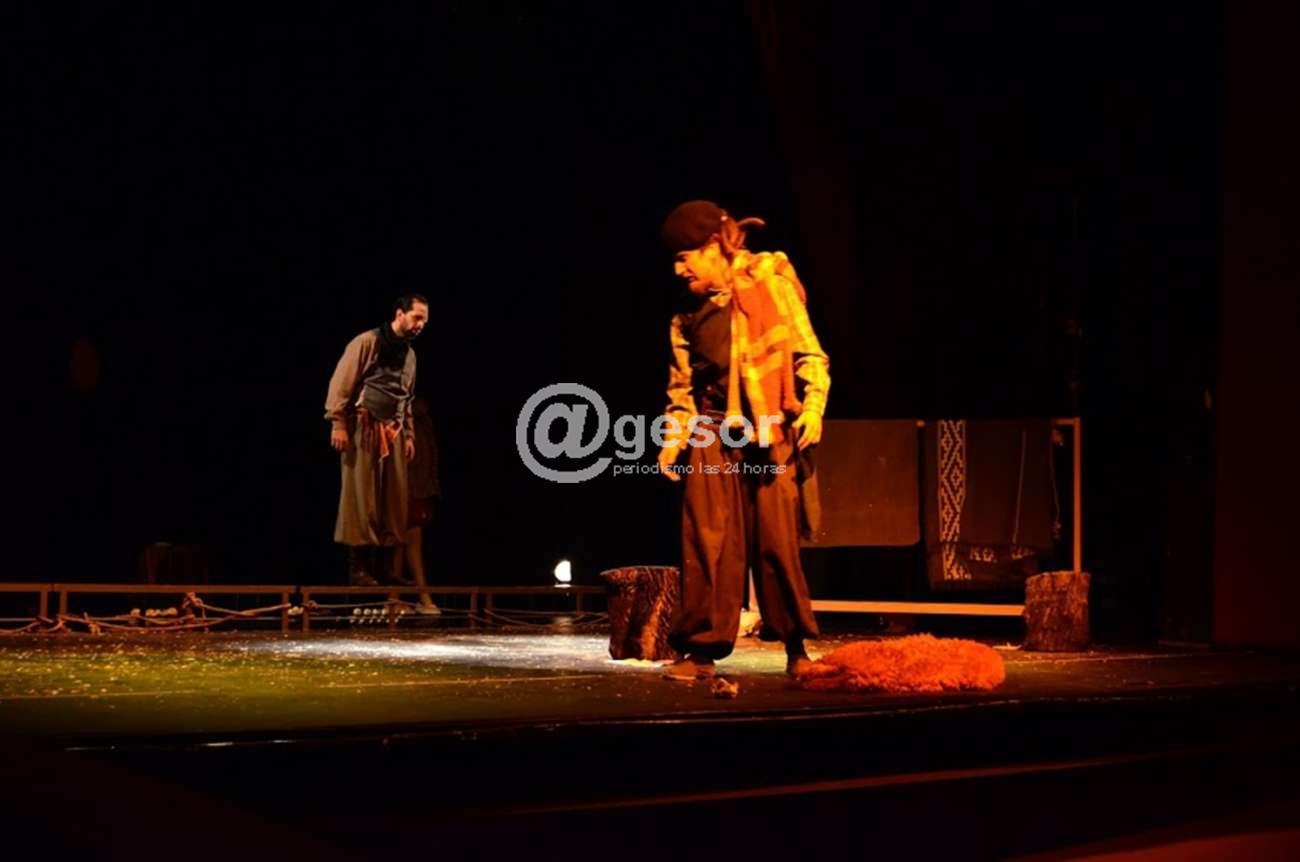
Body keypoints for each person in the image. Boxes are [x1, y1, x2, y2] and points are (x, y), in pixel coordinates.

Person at [656, 201, 829, 680]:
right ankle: (700, 653)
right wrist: (673, 439)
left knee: (776, 540)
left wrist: (813, 406)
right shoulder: (686, 316)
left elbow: (810, 354)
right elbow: (681, 391)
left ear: (713, 246)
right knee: (707, 537)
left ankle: (796, 648)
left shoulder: (770, 283)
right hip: (712, 430)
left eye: (685, 257)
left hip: (770, 427)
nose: (679, 270)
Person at [325, 294, 428, 585]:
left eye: (424, 321)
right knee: (362, 496)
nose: (420, 325)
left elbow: (406, 397)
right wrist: (338, 423)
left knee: (392, 500)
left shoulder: (410, 355)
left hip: (393, 430)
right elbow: (341, 382)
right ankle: (358, 568)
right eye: (417, 317)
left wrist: (409, 434)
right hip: (364, 424)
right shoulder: (367, 342)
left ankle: (385, 568)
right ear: (400, 314)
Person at [389, 396, 442, 613]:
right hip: (408, 486)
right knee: (408, 539)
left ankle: (394, 598)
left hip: (417, 486)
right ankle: (422, 596)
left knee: (401, 540)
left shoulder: (422, 422)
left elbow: (428, 458)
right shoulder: (407, 418)